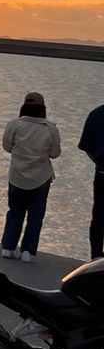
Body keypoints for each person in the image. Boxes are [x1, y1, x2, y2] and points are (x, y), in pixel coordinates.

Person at [1, 92, 61, 262]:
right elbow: (55, 153)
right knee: (35, 215)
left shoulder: (14, 125)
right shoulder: (50, 129)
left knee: (15, 211)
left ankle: (8, 247)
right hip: (41, 178)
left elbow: (7, 147)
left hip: (17, 176)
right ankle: (27, 251)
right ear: (43, 108)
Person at [78, 100, 104, 262]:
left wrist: (97, 161)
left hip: (102, 172)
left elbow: (86, 146)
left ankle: (95, 256)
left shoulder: (96, 114)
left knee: (99, 216)